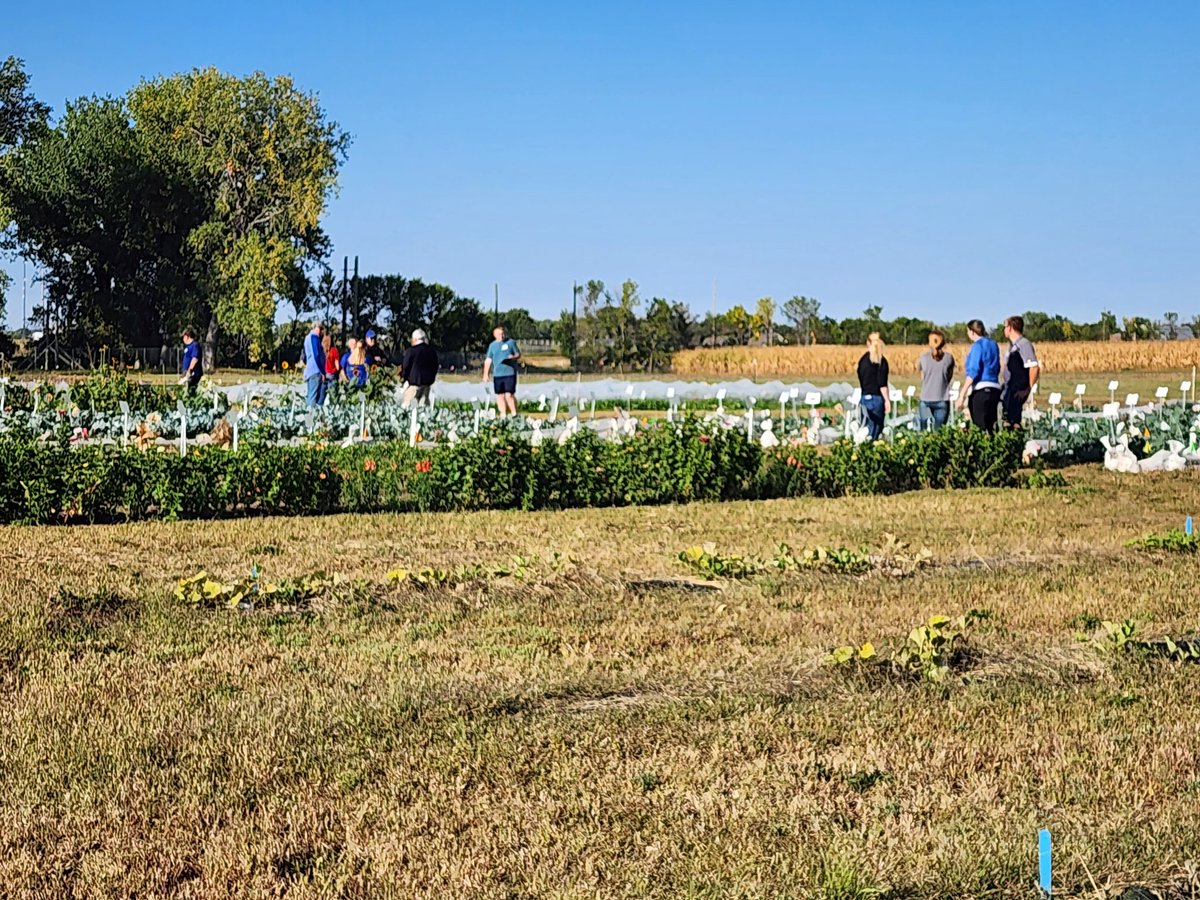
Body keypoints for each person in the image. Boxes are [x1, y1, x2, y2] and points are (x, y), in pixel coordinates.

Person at [957, 319, 1001, 433]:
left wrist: (962, 394)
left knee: (980, 427)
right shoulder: (993, 344)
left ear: (972, 332)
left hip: (981, 389)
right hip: (995, 388)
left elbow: (973, 371)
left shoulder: (977, 346)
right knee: (991, 426)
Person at [1001, 315, 1040, 428]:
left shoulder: (1023, 344)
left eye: (1005, 326)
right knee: (1006, 420)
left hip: (1017, 390)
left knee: (1014, 422)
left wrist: (1027, 389)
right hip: (1009, 389)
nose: (1004, 329)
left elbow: (1034, 367)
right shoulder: (1012, 346)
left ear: (1010, 328)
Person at [917, 329, 954, 431]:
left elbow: (922, 377)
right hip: (942, 399)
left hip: (925, 399)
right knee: (939, 435)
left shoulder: (923, 358)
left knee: (924, 433)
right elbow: (949, 376)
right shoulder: (949, 358)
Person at [856, 332, 890, 440]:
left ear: (867, 343)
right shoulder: (882, 362)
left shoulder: (863, 361)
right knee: (876, 428)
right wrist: (887, 400)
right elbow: (882, 384)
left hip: (865, 396)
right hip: (877, 398)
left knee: (866, 426)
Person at [482, 325, 521, 416]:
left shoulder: (511, 343)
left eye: (503, 334)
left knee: (509, 395)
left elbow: (518, 354)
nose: (502, 336)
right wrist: (485, 374)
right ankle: (503, 414)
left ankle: (514, 414)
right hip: (498, 374)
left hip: (509, 373)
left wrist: (513, 357)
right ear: (495, 335)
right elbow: (488, 360)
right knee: (500, 395)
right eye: (499, 334)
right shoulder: (492, 346)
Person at [401, 328, 439, 407]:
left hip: (413, 385)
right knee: (423, 410)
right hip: (426, 385)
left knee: (407, 409)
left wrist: (404, 379)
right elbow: (435, 367)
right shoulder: (432, 352)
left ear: (415, 339)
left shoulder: (411, 351)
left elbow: (405, 367)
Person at [302, 320, 324, 407]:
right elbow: (316, 355)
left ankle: (308, 417)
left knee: (310, 395)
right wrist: (322, 371)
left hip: (309, 369)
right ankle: (310, 418)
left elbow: (304, 356)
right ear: (316, 328)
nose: (321, 331)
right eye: (320, 328)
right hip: (315, 370)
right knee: (313, 397)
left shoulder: (307, 338)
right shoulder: (314, 338)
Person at [180, 328, 203, 396]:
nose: (183, 339)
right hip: (186, 373)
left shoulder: (194, 345)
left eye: (183, 337)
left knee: (191, 391)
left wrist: (190, 370)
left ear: (187, 336)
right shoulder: (188, 346)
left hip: (193, 374)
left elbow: (194, 359)